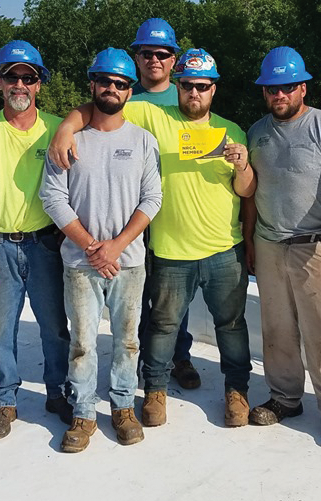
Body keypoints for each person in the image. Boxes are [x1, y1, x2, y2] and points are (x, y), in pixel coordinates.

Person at [48, 48, 256, 428]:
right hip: (171, 251)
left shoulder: (233, 131)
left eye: (203, 87)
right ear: (178, 86)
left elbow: (245, 191)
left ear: (214, 90)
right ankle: (156, 389)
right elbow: (103, 103)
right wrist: (65, 127)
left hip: (224, 249)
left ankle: (236, 391)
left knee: (231, 325)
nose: (195, 93)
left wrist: (242, 166)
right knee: (162, 326)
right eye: (188, 86)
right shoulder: (153, 116)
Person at [40, 48, 162, 452]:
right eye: (105, 81)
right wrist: (93, 246)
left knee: (128, 340)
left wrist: (117, 246)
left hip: (128, 263)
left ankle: (124, 406)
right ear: (92, 84)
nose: (112, 88)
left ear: (130, 91)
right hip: (80, 262)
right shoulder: (69, 139)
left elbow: (152, 199)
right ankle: (84, 411)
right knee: (83, 342)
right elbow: (53, 198)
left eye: (121, 83)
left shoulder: (143, 141)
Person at [244, 47, 321, 452]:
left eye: (287, 87)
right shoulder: (256, 131)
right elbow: (250, 193)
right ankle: (284, 398)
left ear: (302, 87)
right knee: (276, 329)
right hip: (269, 243)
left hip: (317, 248)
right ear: (264, 93)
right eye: (272, 89)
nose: (280, 95)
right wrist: (250, 244)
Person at [0, 40, 72, 441]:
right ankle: (5, 400)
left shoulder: (59, 129)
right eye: (12, 76)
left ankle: (58, 393)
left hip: (47, 245)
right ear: (0, 83)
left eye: (29, 77)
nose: (20, 84)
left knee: (55, 328)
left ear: (40, 84)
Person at [129, 17, 199, 389]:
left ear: (174, 59)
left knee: (176, 298)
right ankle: (142, 356)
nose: (154, 59)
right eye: (146, 53)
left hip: (174, 214)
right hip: (130, 213)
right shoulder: (123, 94)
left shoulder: (189, 93)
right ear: (136, 58)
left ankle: (180, 356)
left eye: (162, 53)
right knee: (138, 294)